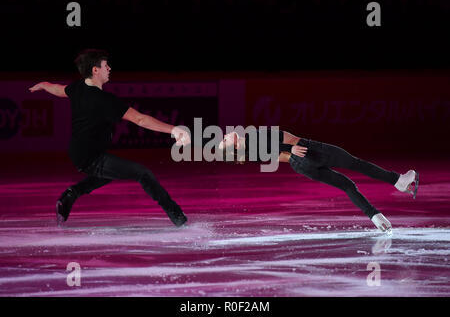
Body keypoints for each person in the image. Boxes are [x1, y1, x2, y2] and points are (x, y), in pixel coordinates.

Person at [29, 49, 190, 227]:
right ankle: (178, 217)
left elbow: (59, 90)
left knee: (108, 174)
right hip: (90, 156)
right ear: (95, 70)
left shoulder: (77, 88)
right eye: (106, 66)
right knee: (143, 174)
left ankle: (71, 194)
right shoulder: (103, 100)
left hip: (79, 152)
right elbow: (140, 119)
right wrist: (174, 130)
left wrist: (44, 84)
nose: (109, 69)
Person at [218, 128, 419, 234]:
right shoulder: (248, 140)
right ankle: (398, 181)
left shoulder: (250, 151)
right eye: (225, 140)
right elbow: (272, 145)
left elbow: (276, 153)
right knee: (358, 164)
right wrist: (292, 149)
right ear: (233, 148)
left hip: (300, 165)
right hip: (308, 150)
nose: (226, 135)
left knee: (347, 185)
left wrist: (293, 155)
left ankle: (376, 217)